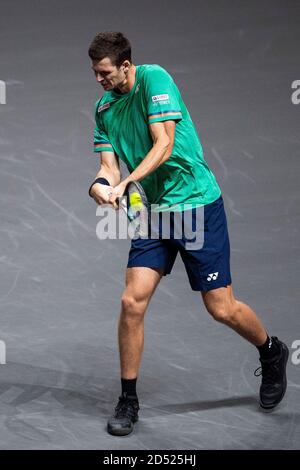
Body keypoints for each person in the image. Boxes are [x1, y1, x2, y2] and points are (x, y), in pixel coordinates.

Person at [87, 32, 289, 436]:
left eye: (104, 72)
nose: (99, 80)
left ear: (125, 65)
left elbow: (163, 144)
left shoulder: (154, 79)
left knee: (221, 308)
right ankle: (129, 400)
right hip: (157, 215)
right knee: (132, 301)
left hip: (196, 204)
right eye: (94, 73)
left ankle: (271, 351)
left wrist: (129, 184)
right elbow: (108, 168)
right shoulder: (104, 108)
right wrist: (100, 187)